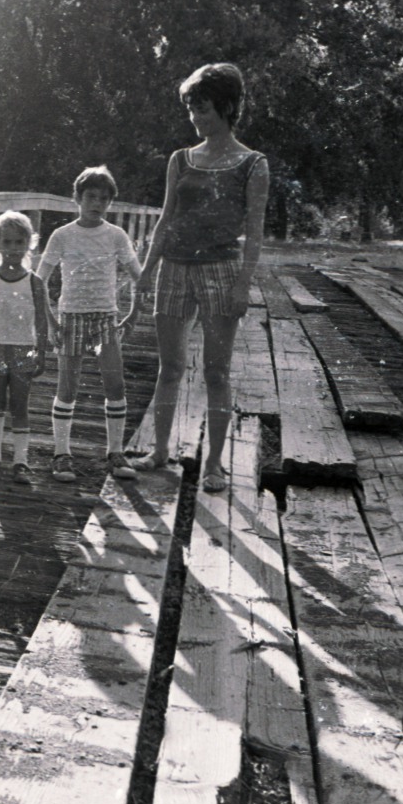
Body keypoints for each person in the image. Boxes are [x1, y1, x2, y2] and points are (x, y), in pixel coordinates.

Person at [131, 62, 270, 492]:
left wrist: (243, 285)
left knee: (216, 372)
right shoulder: (180, 159)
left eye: (204, 108)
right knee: (169, 367)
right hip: (174, 268)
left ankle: (214, 465)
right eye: (191, 109)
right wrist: (145, 270)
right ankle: (159, 451)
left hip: (221, 271)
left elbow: (255, 233)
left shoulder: (253, 164)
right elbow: (165, 219)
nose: (195, 118)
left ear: (227, 108)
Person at [36, 165, 141, 484]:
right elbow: (38, 280)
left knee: (115, 385)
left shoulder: (116, 235)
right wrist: (51, 321)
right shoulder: (62, 235)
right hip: (71, 317)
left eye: (104, 199)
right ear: (77, 198)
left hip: (106, 317)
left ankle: (115, 451)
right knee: (68, 387)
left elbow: (139, 277)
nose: (97, 204)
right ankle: (62, 454)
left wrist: (134, 313)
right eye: (91, 197)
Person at [0, 211, 51, 484]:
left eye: (19, 242)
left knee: (20, 405)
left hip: (23, 349)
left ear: (29, 243)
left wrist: (41, 352)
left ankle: (21, 461)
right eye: (8, 242)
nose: (13, 249)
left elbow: (41, 320)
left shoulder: (35, 282)